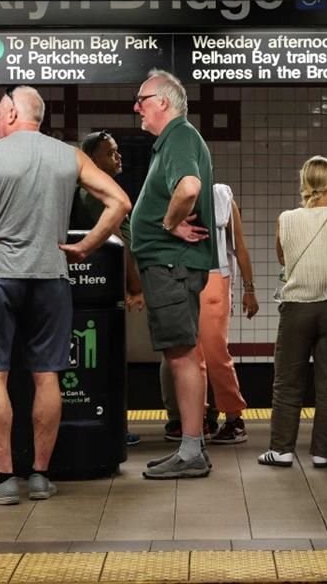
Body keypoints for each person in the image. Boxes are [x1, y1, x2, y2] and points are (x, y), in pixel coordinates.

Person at [0, 85, 130, 504]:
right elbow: (120, 201)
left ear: (12, 112)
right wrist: (87, 246)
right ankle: (41, 476)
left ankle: (7, 478)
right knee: (47, 375)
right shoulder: (69, 155)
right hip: (51, 278)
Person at [129, 70, 218, 480]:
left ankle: (191, 450)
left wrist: (167, 225)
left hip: (172, 264)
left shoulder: (180, 136)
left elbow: (187, 188)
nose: (137, 107)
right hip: (169, 264)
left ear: (163, 102)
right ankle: (190, 447)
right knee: (180, 352)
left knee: (182, 354)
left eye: (142, 99)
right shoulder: (172, 141)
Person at [257, 156, 327, 468]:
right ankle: (322, 452)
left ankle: (282, 449)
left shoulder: (286, 219)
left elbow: (283, 258)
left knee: (288, 381)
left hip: (297, 308)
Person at [160, 184, 259, 446]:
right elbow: (239, 247)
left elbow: (240, 247)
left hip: (195, 276)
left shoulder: (176, 196)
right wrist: (248, 289)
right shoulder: (221, 197)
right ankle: (211, 419)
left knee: (209, 354)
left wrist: (250, 289)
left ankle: (227, 419)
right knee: (204, 354)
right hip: (209, 276)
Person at [74, 129, 143, 446]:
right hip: (107, 285)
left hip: (104, 283)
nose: (118, 157)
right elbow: (117, 243)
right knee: (110, 357)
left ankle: (114, 423)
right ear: (92, 159)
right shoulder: (97, 194)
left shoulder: (95, 191)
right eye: (110, 152)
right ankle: (114, 425)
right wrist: (133, 285)